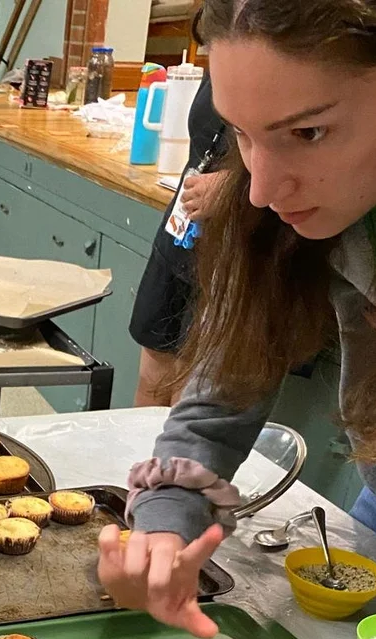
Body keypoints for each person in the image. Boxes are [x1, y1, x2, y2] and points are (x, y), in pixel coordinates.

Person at [101, 0, 376, 639]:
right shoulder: (307, 203)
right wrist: (166, 516)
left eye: (307, 132)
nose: (261, 188)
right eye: (242, 132)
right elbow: (221, 395)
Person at [128, 66, 227, 407]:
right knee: (153, 367)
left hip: (243, 240)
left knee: (193, 391)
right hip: (184, 225)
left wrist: (238, 188)